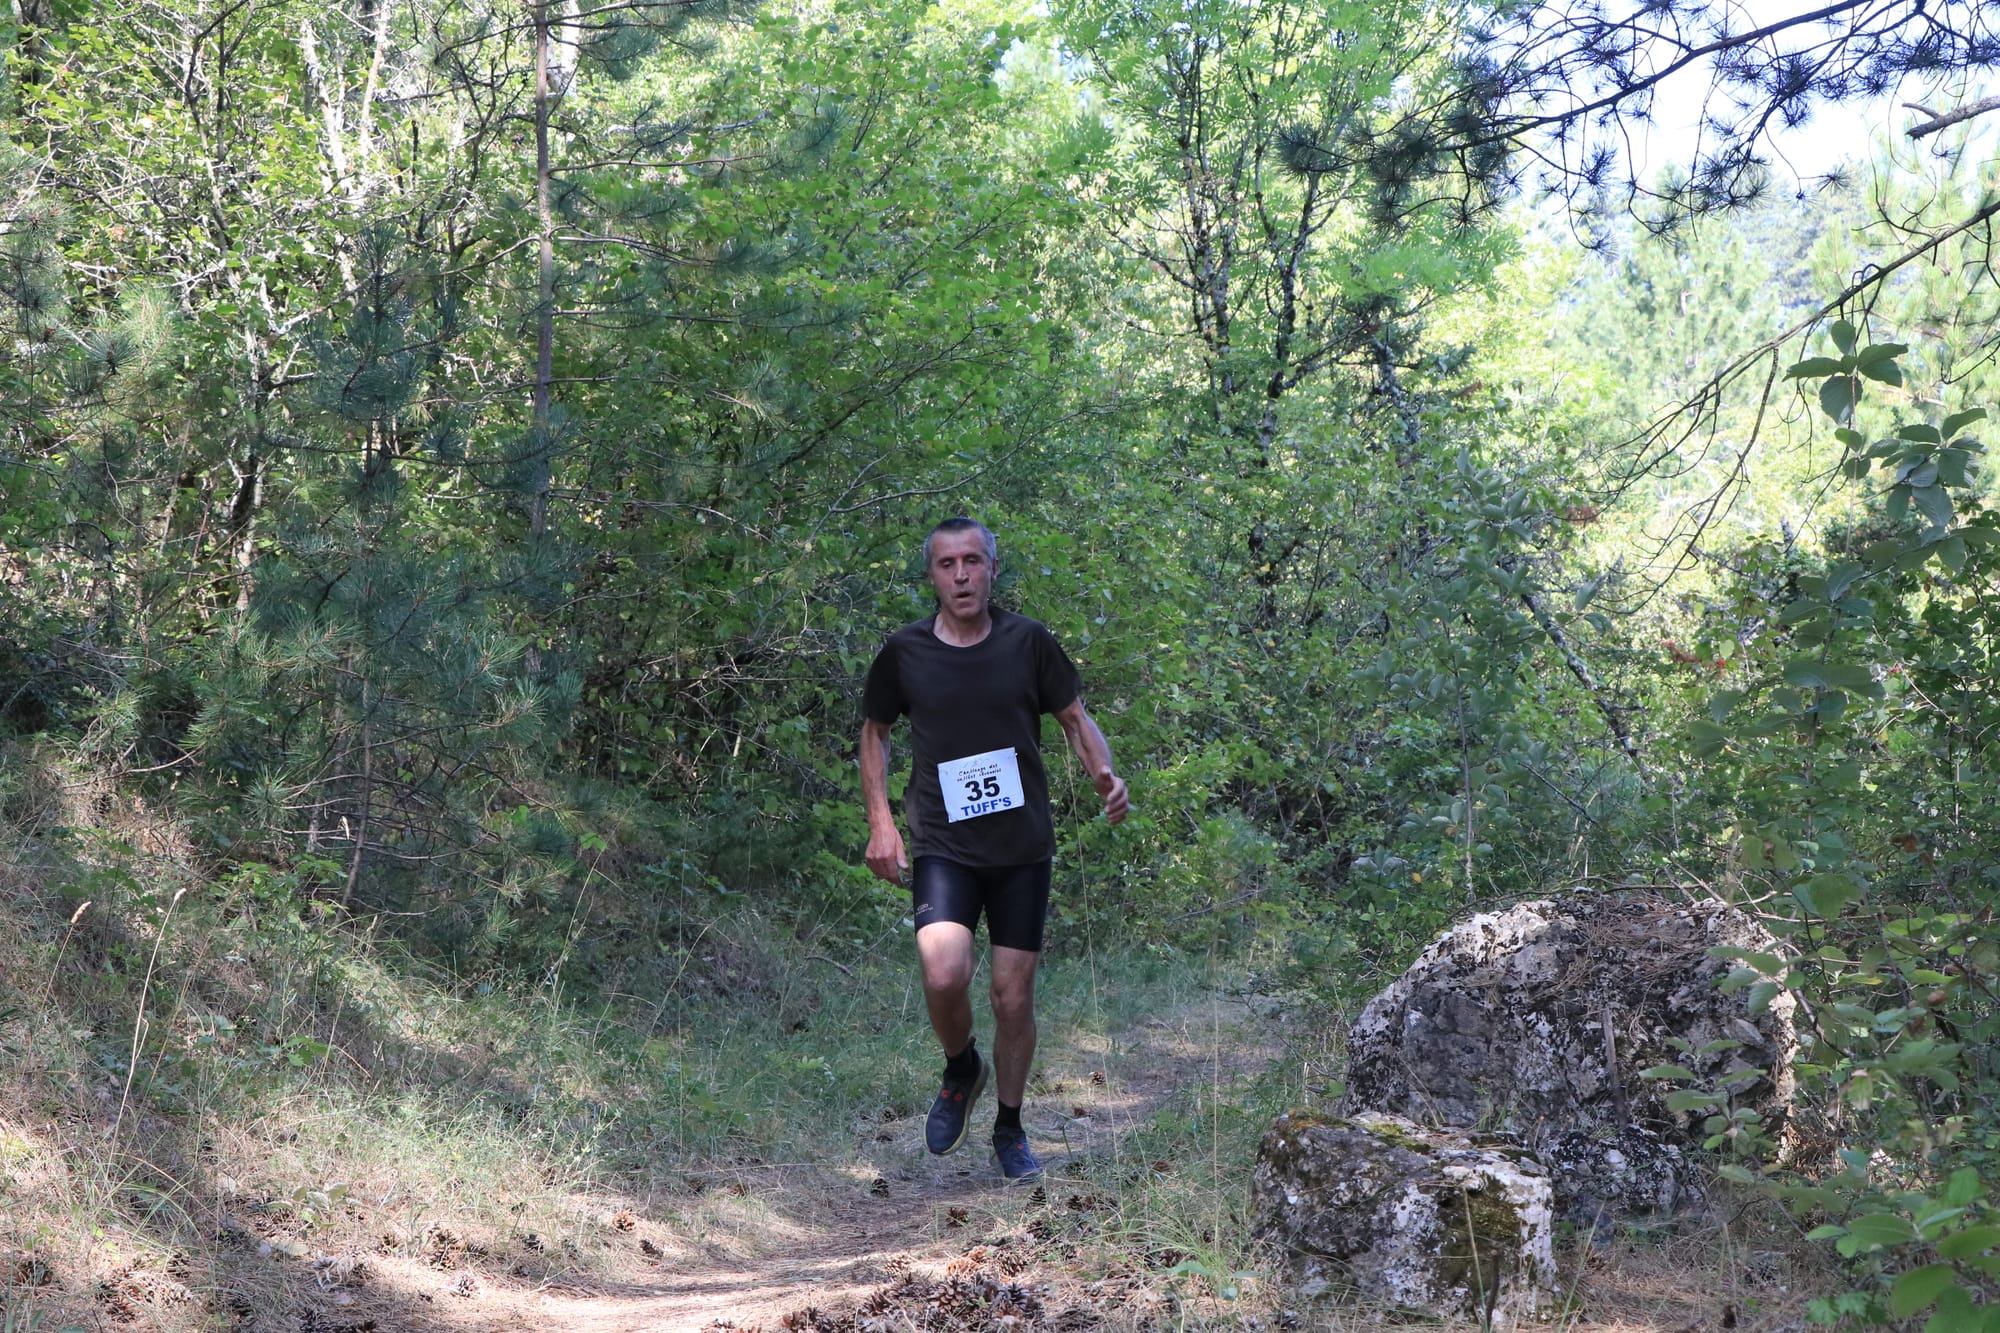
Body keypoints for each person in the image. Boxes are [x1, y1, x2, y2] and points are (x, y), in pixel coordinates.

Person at [859, 516, 1129, 1181]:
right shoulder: (906, 652)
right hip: (944, 844)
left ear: (992, 570)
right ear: (932, 576)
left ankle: (1010, 1127)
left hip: (1020, 848)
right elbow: (875, 732)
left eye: (972, 562)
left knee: (1013, 994)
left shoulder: (1027, 641)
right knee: (944, 972)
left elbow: (1074, 716)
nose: (961, 575)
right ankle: (962, 1067)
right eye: (948, 564)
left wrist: (1105, 773)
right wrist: (882, 823)